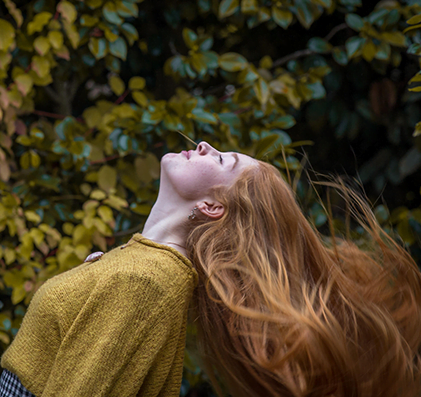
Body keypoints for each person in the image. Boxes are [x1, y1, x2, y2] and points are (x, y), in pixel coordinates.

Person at [1, 141, 421, 397]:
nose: (203, 145)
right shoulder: (141, 268)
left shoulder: (145, 281)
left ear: (213, 206)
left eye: (222, 160)